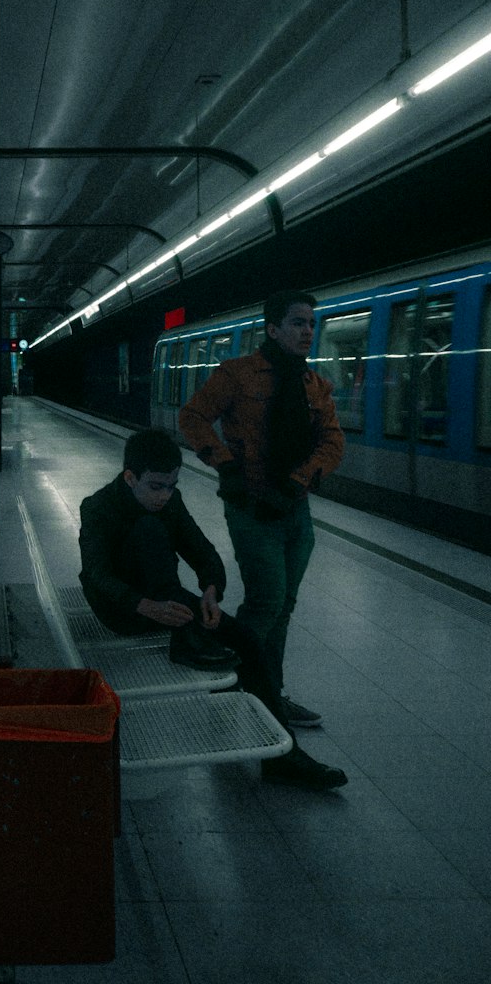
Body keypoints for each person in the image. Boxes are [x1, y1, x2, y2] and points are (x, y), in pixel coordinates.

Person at [78, 428, 347, 791]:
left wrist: (210, 590)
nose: (165, 495)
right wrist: (144, 605)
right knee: (148, 530)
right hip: (121, 608)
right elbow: (97, 576)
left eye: (172, 485)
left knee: (246, 640)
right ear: (130, 478)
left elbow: (202, 551)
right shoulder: (97, 507)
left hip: (170, 603)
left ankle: (284, 759)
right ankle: (189, 640)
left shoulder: (171, 502)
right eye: (156, 486)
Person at [179, 290, 344, 730]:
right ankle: (243, 686)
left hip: (294, 508)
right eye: (297, 322)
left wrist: (297, 482)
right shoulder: (236, 375)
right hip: (251, 506)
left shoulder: (315, 386)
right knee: (267, 599)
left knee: (284, 603)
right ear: (273, 329)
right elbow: (193, 417)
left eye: (311, 322)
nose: (308, 330)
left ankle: (269, 692)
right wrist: (224, 464)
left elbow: (333, 442)